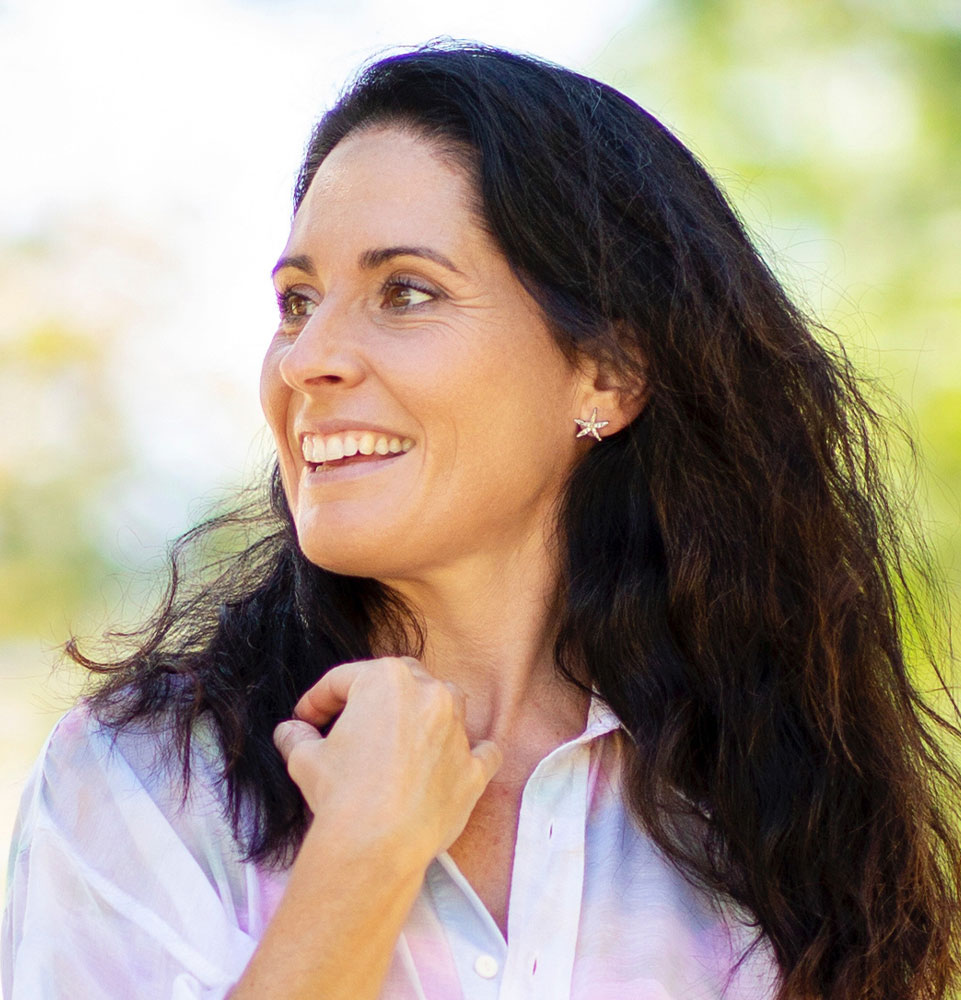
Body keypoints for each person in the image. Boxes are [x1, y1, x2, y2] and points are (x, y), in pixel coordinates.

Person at [3, 41, 960, 1000]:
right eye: (297, 302)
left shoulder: (775, 822)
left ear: (607, 375)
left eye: (404, 292)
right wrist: (362, 859)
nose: (305, 360)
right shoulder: (144, 783)